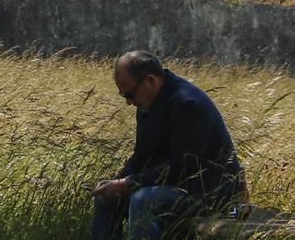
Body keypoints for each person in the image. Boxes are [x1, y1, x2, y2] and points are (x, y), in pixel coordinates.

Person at [89, 51, 245, 240]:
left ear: (151, 81)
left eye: (129, 94)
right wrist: (116, 182)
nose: (129, 102)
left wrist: (126, 184)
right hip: (175, 185)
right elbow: (141, 155)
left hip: (212, 192)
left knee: (143, 200)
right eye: (124, 96)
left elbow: (180, 167)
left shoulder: (187, 104)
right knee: (105, 198)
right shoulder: (147, 101)